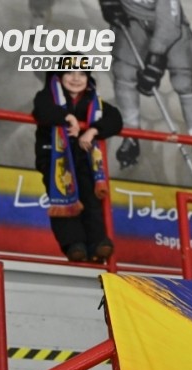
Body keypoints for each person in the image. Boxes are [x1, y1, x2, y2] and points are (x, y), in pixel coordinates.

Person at [99, 0, 192, 169]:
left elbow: (169, 23)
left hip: (170, 28)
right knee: (124, 72)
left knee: (183, 83)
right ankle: (131, 135)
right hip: (133, 22)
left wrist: (155, 58)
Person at [32, 66, 122, 262]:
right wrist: (67, 117)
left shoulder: (94, 101)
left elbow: (115, 119)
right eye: (70, 73)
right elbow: (43, 111)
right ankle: (74, 245)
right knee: (63, 197)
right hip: (55, 159)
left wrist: (92, 131)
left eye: (82, 74)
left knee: (91, 198)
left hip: (84, 158)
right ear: (59, 76)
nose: (76, 78)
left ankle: (97, 243)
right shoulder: (47, 97)